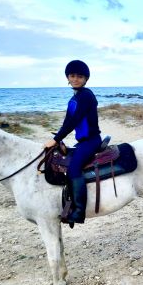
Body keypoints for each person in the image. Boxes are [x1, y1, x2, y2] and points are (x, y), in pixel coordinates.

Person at [44, 60, 102, 224]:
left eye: (80, 76)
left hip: (91, 140)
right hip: (83, 141)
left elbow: (73, 122)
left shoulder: (85, 96)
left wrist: (55, 139)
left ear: (85, 79)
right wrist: (58, 138)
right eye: (72, 76)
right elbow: (67, 121)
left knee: (74, 169)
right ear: (68, 78)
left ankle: (78, 211)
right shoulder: (75, 97)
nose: (75, 79)